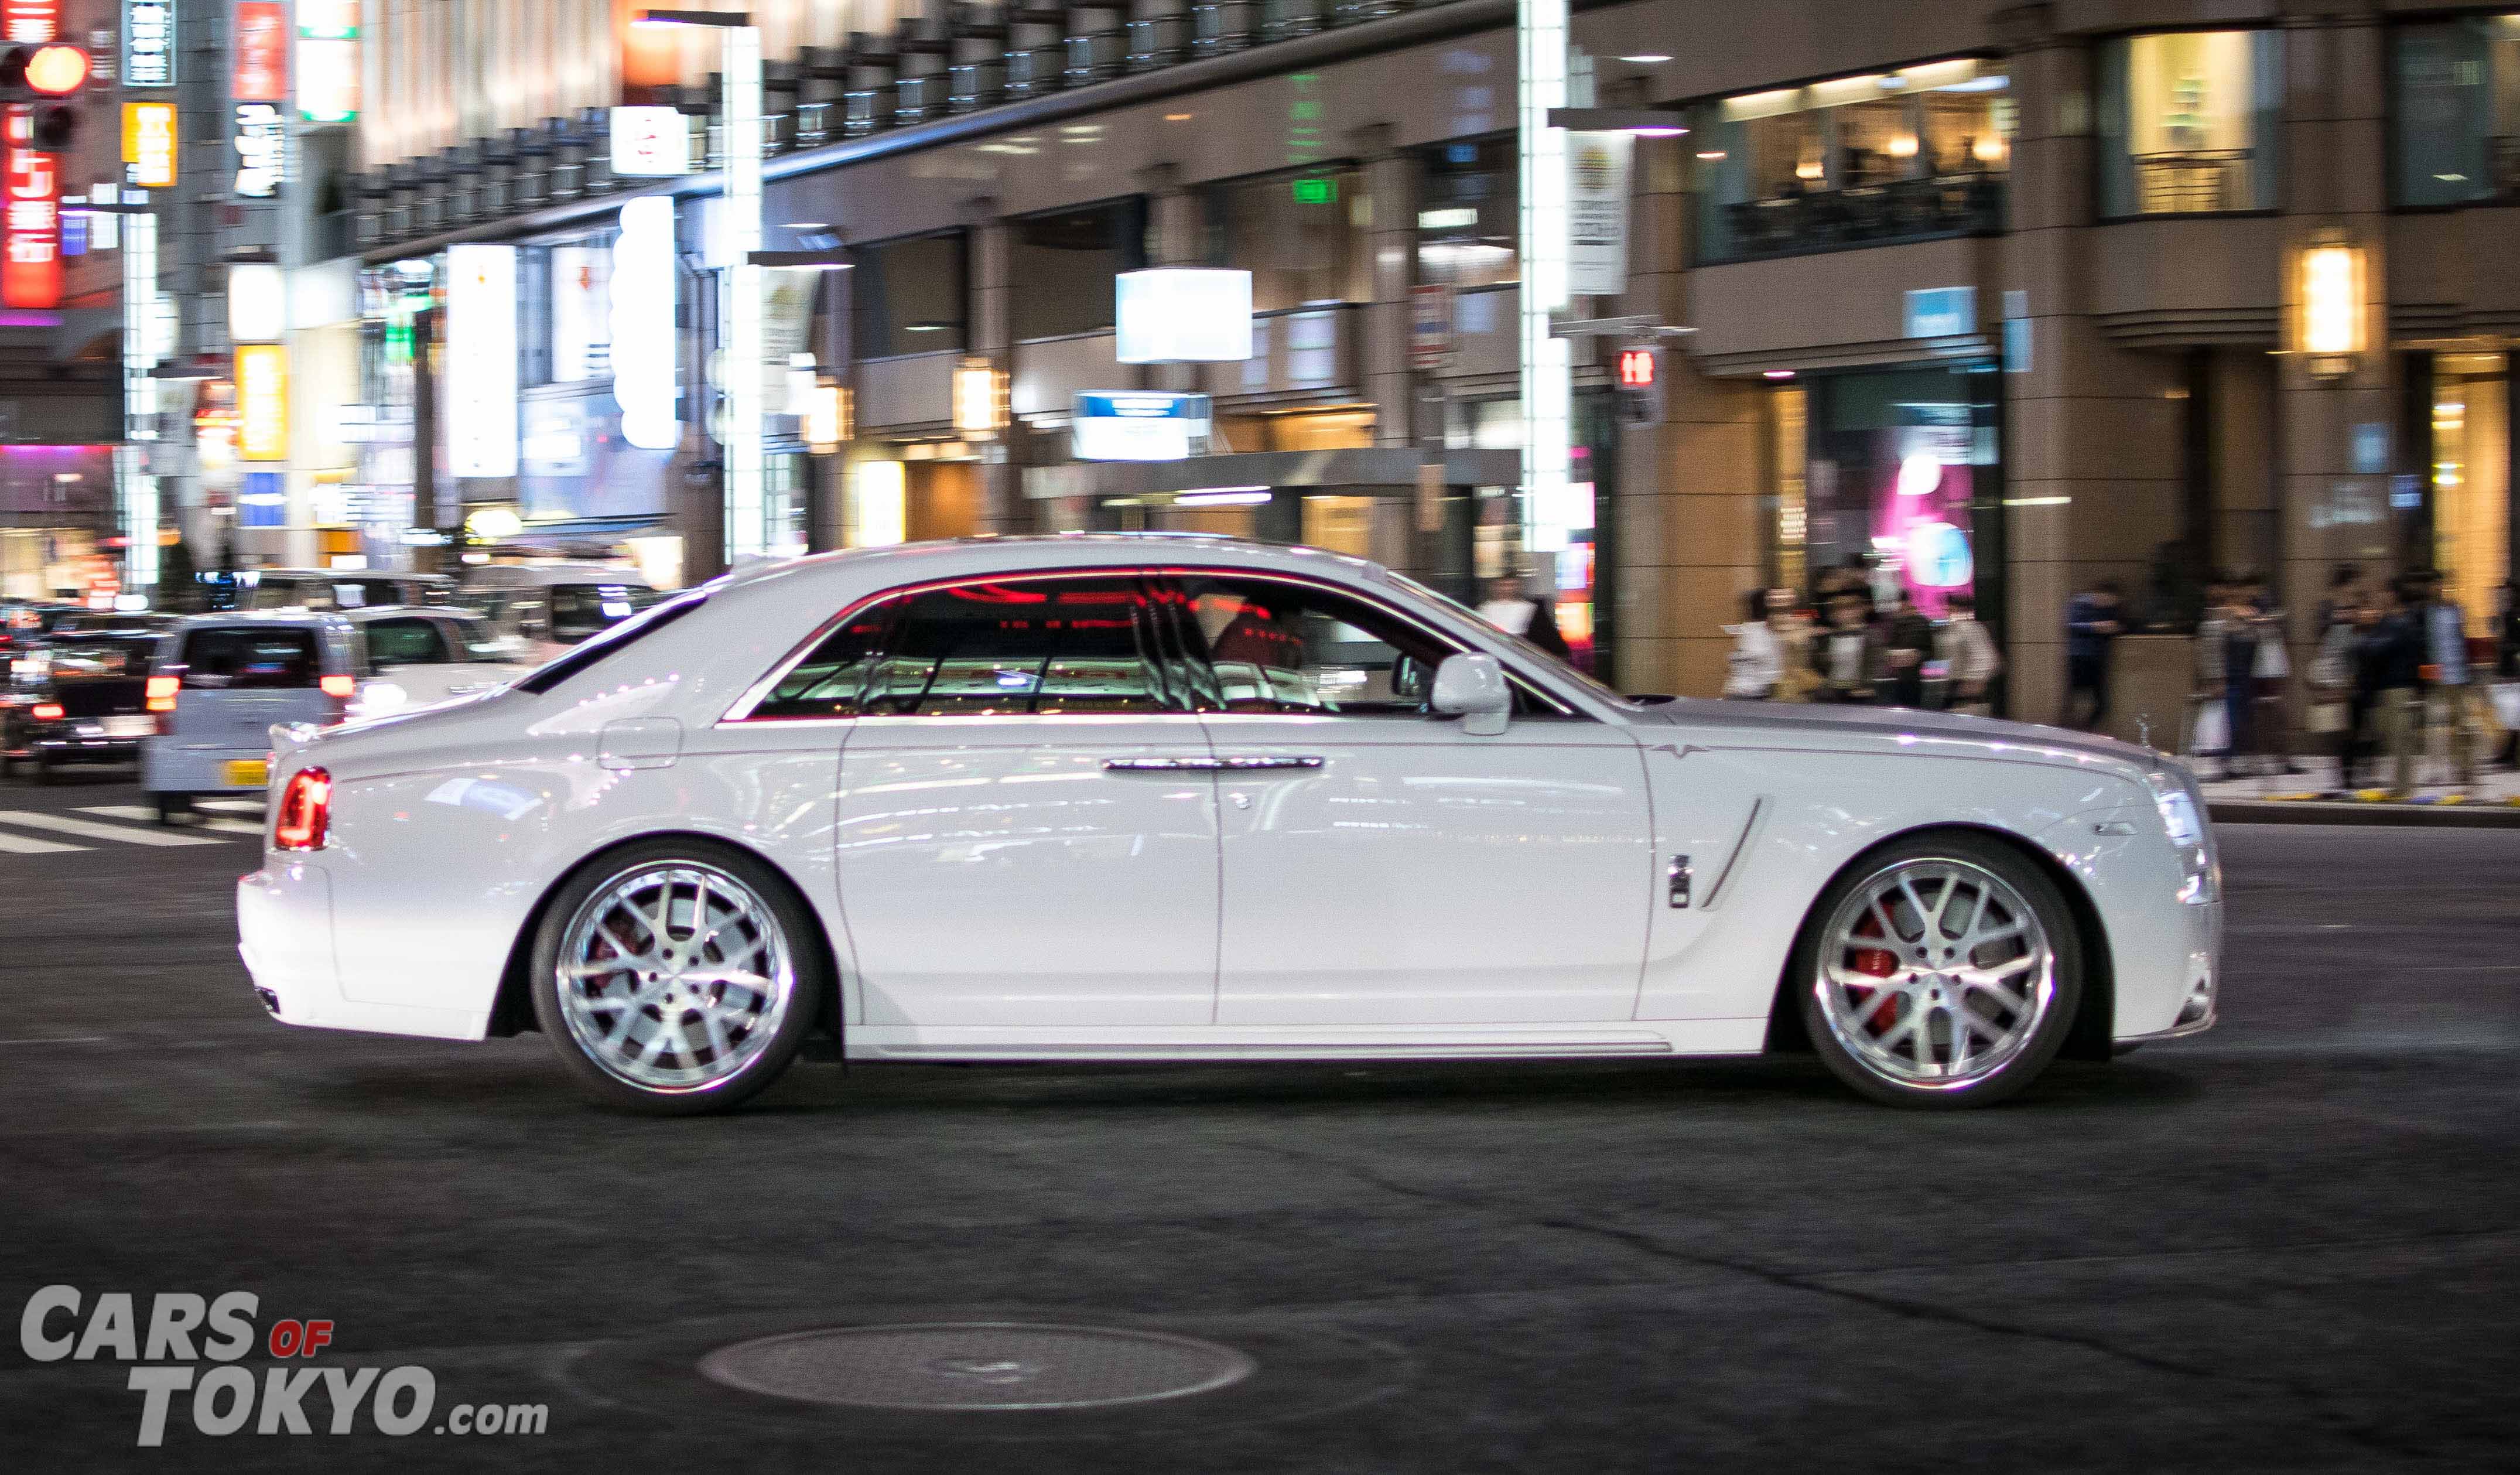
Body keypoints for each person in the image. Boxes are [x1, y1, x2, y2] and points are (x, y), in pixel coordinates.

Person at [2347, 578, 2425, 799]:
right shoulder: (2394, 621)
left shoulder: (2399, 623)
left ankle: (2403, 789)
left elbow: (2374, 649)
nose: (2380, 598)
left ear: (2392, 595)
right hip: (2390, 688)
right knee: (2394, 739)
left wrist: (2363, 639)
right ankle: (2401, 787)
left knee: (2401, 740)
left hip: (2398, 688)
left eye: (2384, 593)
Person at [2412, 569, 2475, 793]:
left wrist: (2468, 675)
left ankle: (2464, 769)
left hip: (2458, 676)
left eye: (2440, 585)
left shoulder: (2456, 610)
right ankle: (2437, 770)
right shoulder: (2424, 612)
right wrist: (2423, 679)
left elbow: (2462, 641)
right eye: (2433, 586)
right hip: (2435, 678)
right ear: (2429, 589)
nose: (2437, 589)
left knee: (2462, 726)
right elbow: (2422, 648)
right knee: (2434, 727)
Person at [2064, 579, 2124, 729]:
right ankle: (2078, 729)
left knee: (2101, 703)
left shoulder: (2110, 608)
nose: (2109, 604)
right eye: (2107, 600)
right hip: (2080, 656)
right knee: (2079, 697)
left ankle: (2086, 729)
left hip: (2098, 657)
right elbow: (2070, 625)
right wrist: (2095, 627)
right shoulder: (2080, 603)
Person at [1811, 590, 1885, 704]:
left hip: (1861, 693)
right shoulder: (1828, 637)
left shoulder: (1871, 635)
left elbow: (1877, 663)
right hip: (1833, 692)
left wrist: (1869, 686)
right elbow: (1820, 665)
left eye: (1849, 608)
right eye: (1839, 609)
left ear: (1859, 610)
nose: (1844, 613)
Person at [1937, 590, 2000, 715]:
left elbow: (1984, 656)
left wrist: (1975, 681)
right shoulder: (1951, 629)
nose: (1947, 611)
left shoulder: (1972, 628)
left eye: (1950, 607)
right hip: (1954, 684)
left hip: (1967, 685)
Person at [1477, 573, 1568, 658]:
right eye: (1503, 586)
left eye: (1511, 586)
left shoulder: (1529, 608)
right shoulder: (1485, 608)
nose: (1507, 589)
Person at [1721, 588, 1782, 699]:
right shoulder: (1767, 636)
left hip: (1734, 693)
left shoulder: (1745, 632)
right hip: (1754, 696)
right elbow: (1773, 673)